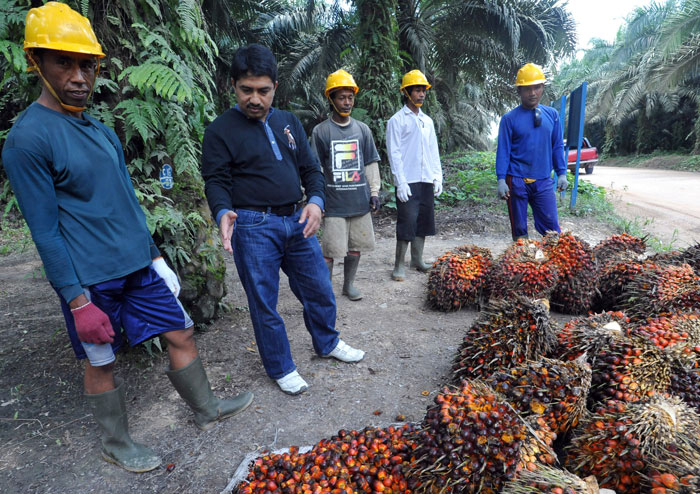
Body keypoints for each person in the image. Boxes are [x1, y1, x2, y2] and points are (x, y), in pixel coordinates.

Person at [1, 2, 254, 473]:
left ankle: (206, 408)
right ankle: (116, 443)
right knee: (100, 361)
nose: (79, 76)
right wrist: (77, 303)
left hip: (138, 267)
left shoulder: (99, 130)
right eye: (64, 62)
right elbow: (45, 231)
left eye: (87, 65)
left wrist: (156, 256)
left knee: (180, 330)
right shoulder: (28, 139)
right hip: (92, 280)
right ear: (36, 62)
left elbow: (126, 202)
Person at [200, 44, 365, 396]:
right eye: (246, 90)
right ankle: (281, 366)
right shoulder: (219, 130)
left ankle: (327, 342)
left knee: (319, 288)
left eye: (263, 90)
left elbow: (310, 169)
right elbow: (215, 181)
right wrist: (222, 210)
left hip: (297, 219)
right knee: (264, 301)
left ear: (275, 86)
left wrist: (317, 202)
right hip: (253, 226)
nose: (255, 99)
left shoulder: (288, 121)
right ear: (233, 86)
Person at [310, 69, 381, 301]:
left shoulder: (362, 130)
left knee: (355, 246)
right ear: (331, 99)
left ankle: (348, 285)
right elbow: (315, 169)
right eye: (341, 97)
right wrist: (316, 199)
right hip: (334, 204)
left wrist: (374, 192)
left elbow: (370, 162)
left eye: (350, 97)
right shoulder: (321, 132)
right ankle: (325, 289)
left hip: (358, 201)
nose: (347, 102)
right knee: (330, 250)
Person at [495, 62, 568, 241]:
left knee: (552, 229)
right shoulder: (509, 119)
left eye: (537, 87)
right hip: (517, 180)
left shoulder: (552, 115)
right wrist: (501, 179)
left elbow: (557, 146)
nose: (533, 93)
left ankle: (552, 264)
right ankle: (521, 264)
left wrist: (562, 173)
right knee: (520, 231)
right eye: (527, 88)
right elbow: (503, 151)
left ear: (543, 87)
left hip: (543, 180)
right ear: (519, 90)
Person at [386, 70, 443, 281]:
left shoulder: (427, 121)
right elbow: (394, 153)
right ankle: (398, 265)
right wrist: (400, 181)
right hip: (408, 180)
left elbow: (433, 150)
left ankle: (417, 259)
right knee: (407, 221)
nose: (421, 94)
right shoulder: (397, 120)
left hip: (426, 178)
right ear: (407, 92)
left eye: (423, 91)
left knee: (423, 221)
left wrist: (437, 177)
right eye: (417, 90)